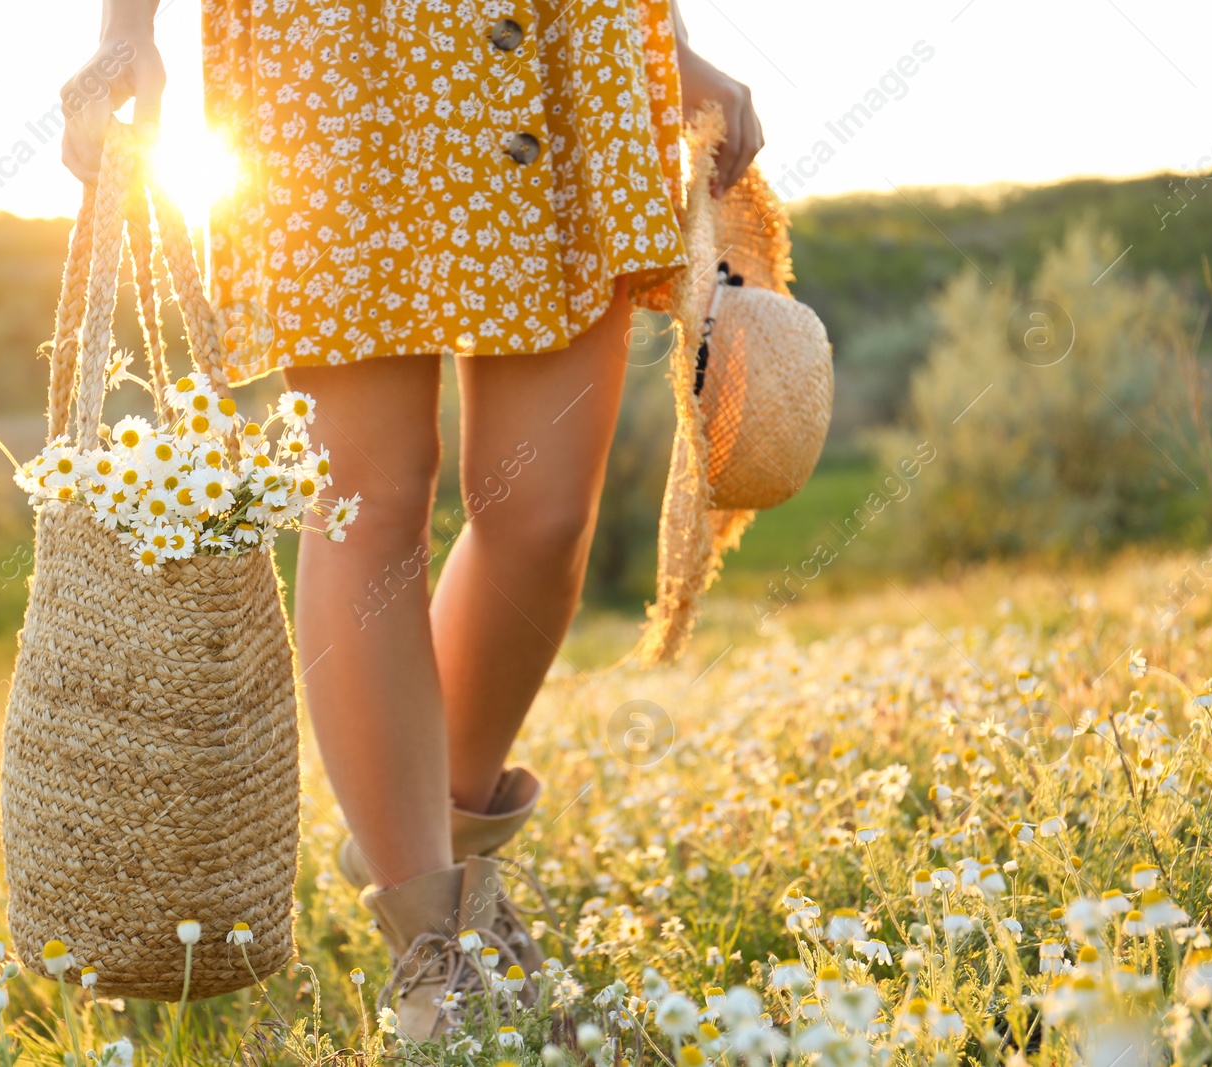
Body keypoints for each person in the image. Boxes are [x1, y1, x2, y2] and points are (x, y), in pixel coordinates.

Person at [61, 0, 762, 1038]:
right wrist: (126, 28)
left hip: (574, 34)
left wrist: (673, 44)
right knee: (370, 497)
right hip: (345, 48)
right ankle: (440, 945)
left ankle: (431, 854)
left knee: (545, 511)